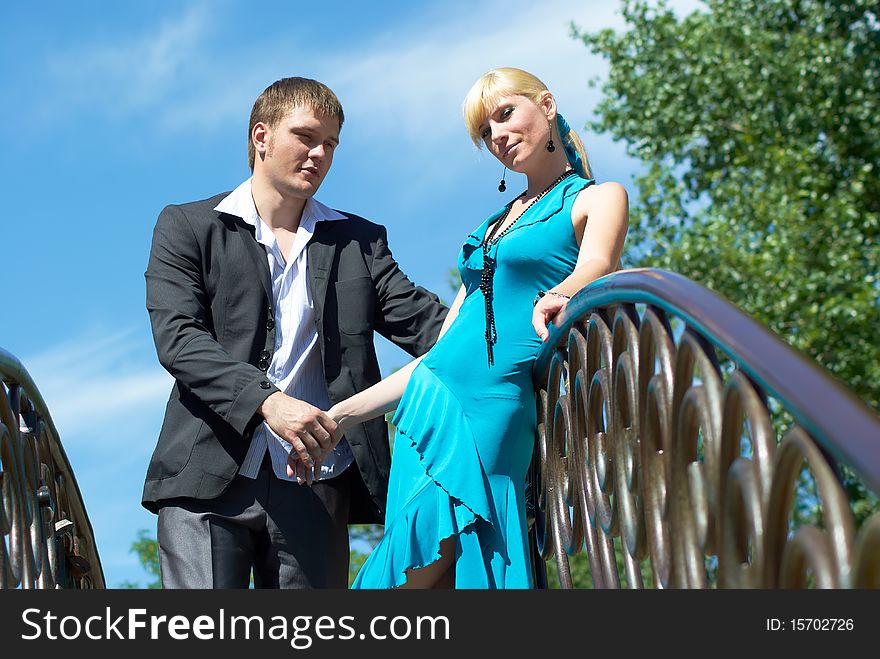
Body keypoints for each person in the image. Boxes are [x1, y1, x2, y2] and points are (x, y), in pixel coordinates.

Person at [315, 67, 628, 588]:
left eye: (506, 115)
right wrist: (343, 416)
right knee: (417, 576)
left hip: (494, 405)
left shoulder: (597, 197)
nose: (499, 137)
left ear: (546, 105)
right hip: (427, 407)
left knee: (442, 569)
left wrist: (563, 292)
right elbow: (444, 350)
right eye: (486, 132)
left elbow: (599, 265)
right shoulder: (489, 227)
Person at [142, 77, 447, 589]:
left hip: (317, 484)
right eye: (306, 137)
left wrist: (505, 308)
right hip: (208, 479)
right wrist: (268, 402)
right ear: (261, 136)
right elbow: (178, 338)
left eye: (330, 144)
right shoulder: (187, 226)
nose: (319, 154)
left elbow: (430, 327)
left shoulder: (359, 242)